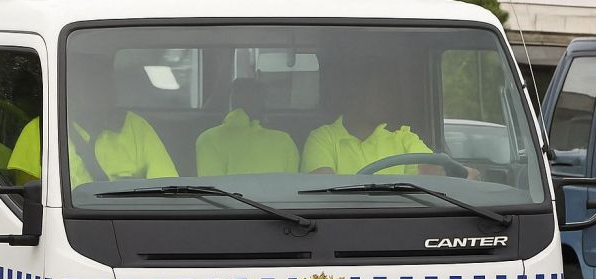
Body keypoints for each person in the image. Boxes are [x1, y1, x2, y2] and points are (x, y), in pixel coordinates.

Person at [8, 57, 178, 188]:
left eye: (106, 83)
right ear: (70, 87)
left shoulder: (136, 127)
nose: (101, 91)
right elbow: (28, 202)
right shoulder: (40, 130)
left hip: (131, 220)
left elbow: (166, 189)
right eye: (91, 83)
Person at [301, 77, 478, 179]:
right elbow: (324, 192)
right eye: (381, 91)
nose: (389, 100)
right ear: (355, 94)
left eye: (390, 92)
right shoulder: (322, 138)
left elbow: (432, 170)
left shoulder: (403, 137)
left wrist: (460, 175)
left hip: (399, 220)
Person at [196, 78, 299, 176]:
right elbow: (292, 183)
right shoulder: (284, 141)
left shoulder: (208, 139)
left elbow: (212, 185)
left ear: (230, 105)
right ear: (263, 107)